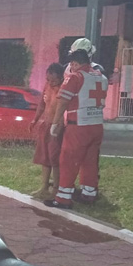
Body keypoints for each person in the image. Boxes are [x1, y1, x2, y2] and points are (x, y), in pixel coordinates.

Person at [45, 49, 108, 209]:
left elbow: (63, 101)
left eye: (72, 65)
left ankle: (63, 198)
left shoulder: (75, 77)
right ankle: (89, 193)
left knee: (68, 160)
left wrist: (55, 123)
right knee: (90, 161)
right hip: (97, 125)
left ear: (74, 63)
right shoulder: (101, 77)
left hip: (78, 126)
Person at [29, 63, 65, 200]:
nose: (50, 83)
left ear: (61, 78)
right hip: (46, 124)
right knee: (44, 157)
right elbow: (42, 104)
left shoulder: (64, 89)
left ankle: (56, 188)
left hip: (58, 126)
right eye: (48, 79)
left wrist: (58, 126)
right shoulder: (47, 86)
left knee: (55, 158)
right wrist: (35, 119)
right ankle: (44, 187)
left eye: (53, 80)